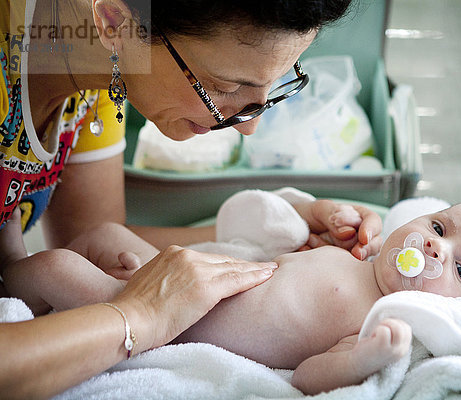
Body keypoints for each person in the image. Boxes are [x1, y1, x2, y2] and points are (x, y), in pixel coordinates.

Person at [0, 1, 388, 397]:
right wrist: (137, 318)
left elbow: (92, 243)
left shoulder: (100, 75)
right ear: (114, 21)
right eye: (226, 87)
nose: (249, 127)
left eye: (273, 84)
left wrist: (262, 242)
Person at [2, 199, 461, 395]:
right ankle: (43, 311)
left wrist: (364, 357)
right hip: (178, 279)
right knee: (103, 236)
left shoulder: (378, 315)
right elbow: (275, 229)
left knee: (55, 265)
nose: (433, 246)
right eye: (441, 226)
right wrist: (320, 209)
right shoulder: (362, 257)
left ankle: (13, 294)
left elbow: (308, 377)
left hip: (175, 321)